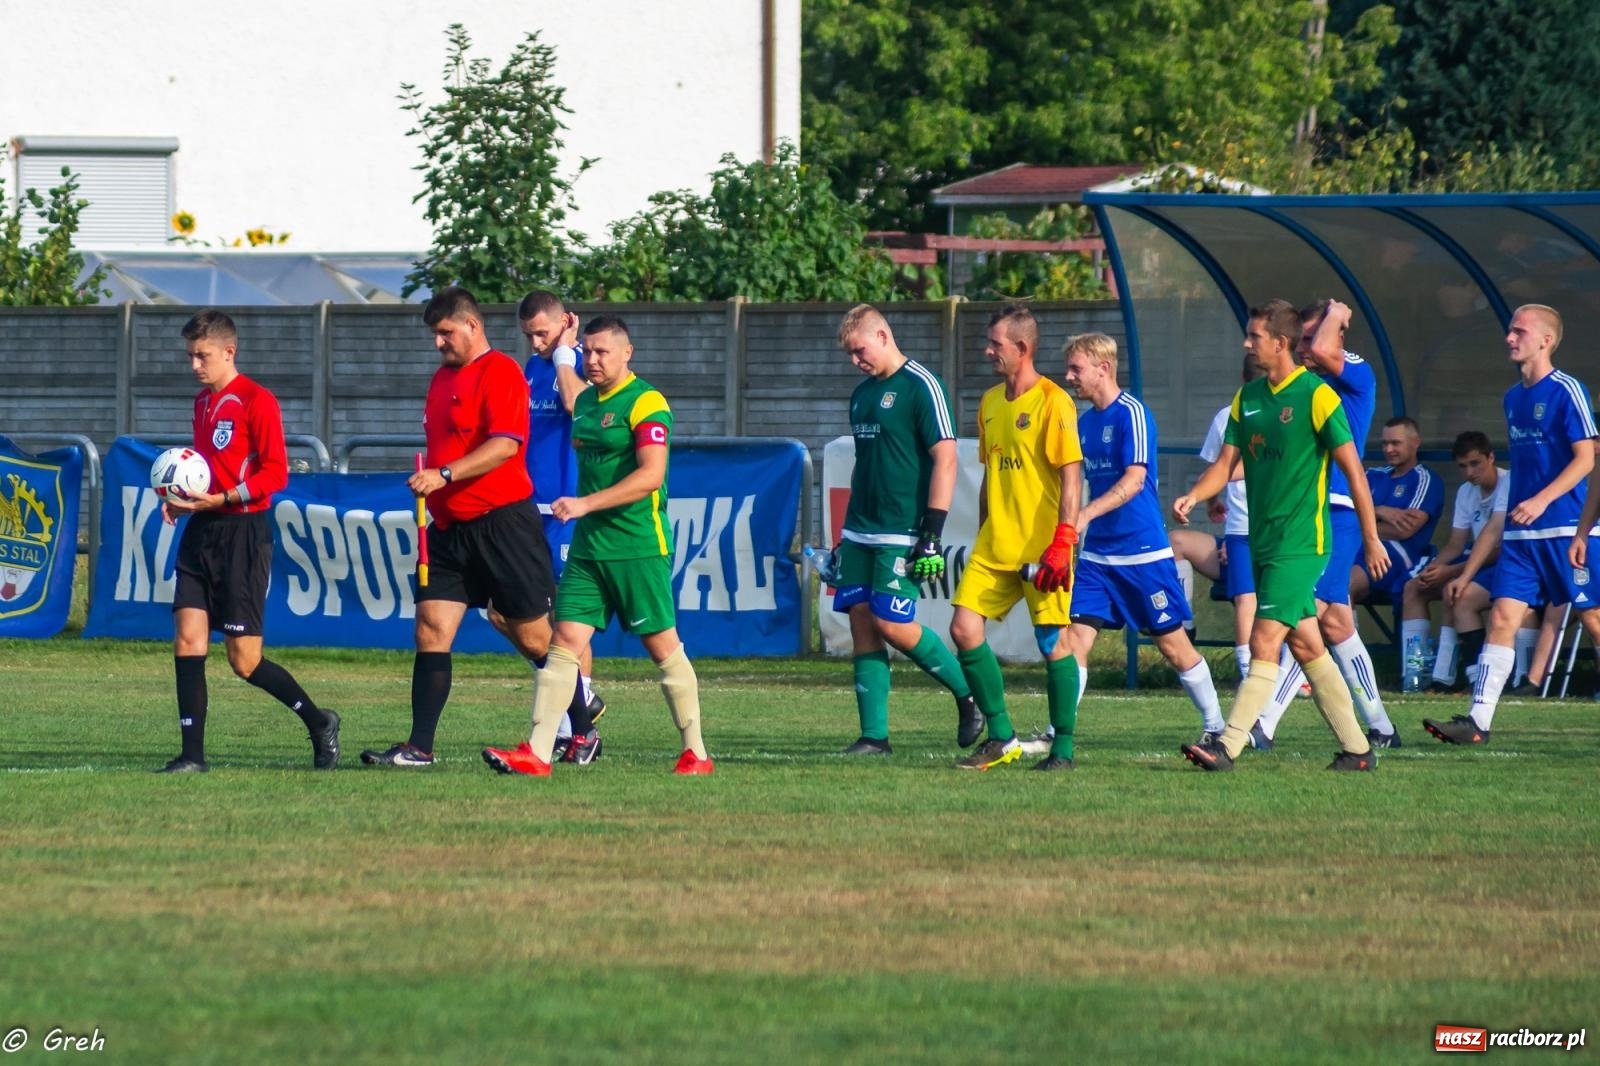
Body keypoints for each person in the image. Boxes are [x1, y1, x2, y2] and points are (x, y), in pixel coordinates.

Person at [482, 315, 713, 776]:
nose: (592, 359)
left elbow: (650, 475)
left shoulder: (646, 401)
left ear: (627, 353)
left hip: (636, 545)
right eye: (586, 351)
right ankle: (539, 751)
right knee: (563, 643)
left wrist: (587, 503)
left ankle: (696, 753)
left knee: (663, 647)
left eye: (602, 352)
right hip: (589, 549)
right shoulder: (585, 402)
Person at [360, 287, 577, 768]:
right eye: (434, 335)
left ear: (472, 326)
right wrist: (434, 485)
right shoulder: (440, 379)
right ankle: (420, 747)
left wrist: (443, 474)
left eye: (445, 332)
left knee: (533, 637)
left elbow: (504, 445)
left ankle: (583, 716)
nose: (438, 343)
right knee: (431, 628)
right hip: (450, 528)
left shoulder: (500, 372)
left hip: (503, 523)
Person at [1174, 298, 1388, 772]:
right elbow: (1227, 466)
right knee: (1308, 645)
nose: (1247, 343)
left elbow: (1354, 474)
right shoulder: (1247, 399)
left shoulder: (1316, 395)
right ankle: (1358, 750)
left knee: (1264, 636)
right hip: (1261, 542)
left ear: (1281, 342)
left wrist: (1371, 538)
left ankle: (1227, 745)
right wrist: (1194, 494)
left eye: (1255, 336)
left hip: (1301, 544)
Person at [156, 310, 338, 773]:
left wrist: (222, 497)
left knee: (245, 661)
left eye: (203, 356)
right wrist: (180, 499)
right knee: (187, 640)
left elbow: (275, 472)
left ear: (229, 352)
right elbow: (205, 467)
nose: (195, 365)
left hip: (243, 535)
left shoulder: (258, 400)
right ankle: (192, 756)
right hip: (202, 531)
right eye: (191, 356)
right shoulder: (202, 404)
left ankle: (319, 723)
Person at [1425, 304, 1600, 744]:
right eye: (1509, 330)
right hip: (1522, 535)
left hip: (1564, 528)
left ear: (1546, 340)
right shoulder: (1511, 397)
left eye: (1519, 331)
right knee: (1502, 616)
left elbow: (1587, 458)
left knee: (1594, 619)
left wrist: (1544, 501)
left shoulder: (1566, 390)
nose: (1509, 337)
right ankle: (1477, 721)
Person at [828, 304, 981, 755]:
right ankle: (875, 736)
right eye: (851, 355)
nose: (857, 361)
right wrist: (843, 535)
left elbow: (946, 459)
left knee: (892, 623)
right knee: (861, 622)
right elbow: (865, 464)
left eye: (860, 351)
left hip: (904, 529)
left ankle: (966, 692)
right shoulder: (860, 394)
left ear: (882, 335)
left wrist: (931, 532)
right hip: (860, 530)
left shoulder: (922, 386)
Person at [1058, 332, 1225, 744]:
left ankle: (1217, 727)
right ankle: (1058, 731)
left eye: (1076, 368)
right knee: (1073, 639)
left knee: (1172, 646)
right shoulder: (1084, 423)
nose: (1069, 377)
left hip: (1142, 552)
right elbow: (1076, 482)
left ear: (1104, 368)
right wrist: (1069, 524)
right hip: (1098, 557)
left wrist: (1086, 515)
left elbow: (1134, 481)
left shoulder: (1131, 413)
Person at [1250, 300, 1401, 749]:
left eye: (1314, 337)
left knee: (1305, 612)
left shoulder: (1355, 373)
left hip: (1337, 512)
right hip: (1304, 513)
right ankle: (1382, 726)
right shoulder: (1302, 386)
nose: (1306, 347)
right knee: (1335, 623)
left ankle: (1264, 722)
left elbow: (1321, 345)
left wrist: (1337, 312)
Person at [947, 306, 1084, 772]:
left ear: (1022, 348)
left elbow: (1071, 475)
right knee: (964, 629)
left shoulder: (1053, 401)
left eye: (995, 344)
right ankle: (1001, 736)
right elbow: (990, 473)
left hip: (1044, 548)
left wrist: (1064, 540)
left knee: (1052, 643)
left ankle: (1062, 749)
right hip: (996, 544)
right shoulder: (989, 403)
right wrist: (984, 526)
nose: (988, 351)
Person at [483, 289, 604, 762]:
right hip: (522, 510)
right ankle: (579, 704)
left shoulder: (581, 367)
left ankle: (575, 726)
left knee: (565, 622)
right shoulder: (530, 370)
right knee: (500, 612)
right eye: (529, 335)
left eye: (542, 332)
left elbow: (578, 408)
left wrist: (563, 354)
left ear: (564, 323)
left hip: (563, 512)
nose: (535, 342)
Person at [1398, 431, 1513, 693]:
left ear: (1491, 457)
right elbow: (1455, 544)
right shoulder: (1465, 491)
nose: (1469, 472)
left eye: (1475, 464)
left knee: (1460, 593)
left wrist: (1452, 572)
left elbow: (1499, 548)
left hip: (1506, 563)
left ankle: (1464, 679)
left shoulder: (1509, 482)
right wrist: (1435, 568)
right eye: (1463, 466)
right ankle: (1415, 676)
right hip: (1474, 562)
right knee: (1414, 587)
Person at [1349, 416, 1445, 606]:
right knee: (1317, 586)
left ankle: (1344, 636)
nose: (1388, 449)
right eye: (1384, 443)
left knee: (1342, 587)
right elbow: (1345, 515)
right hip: (1358, 546)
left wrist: (1360, 522)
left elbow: (1404, 530)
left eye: (1395, 443)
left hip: (1394, 555)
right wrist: (1379, 511)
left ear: (1415, 443)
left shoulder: (1424, 479)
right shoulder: (1373, 475)